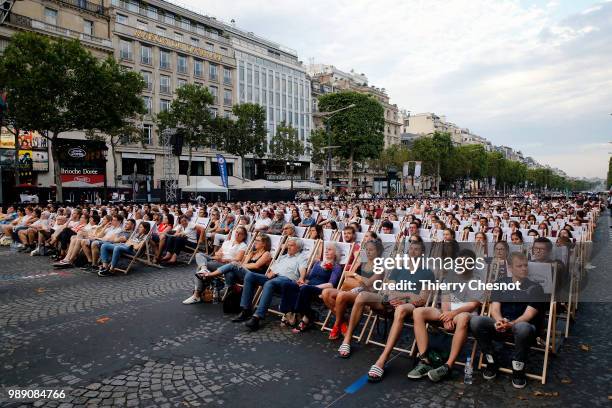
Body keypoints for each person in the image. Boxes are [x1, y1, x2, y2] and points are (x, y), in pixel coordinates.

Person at [403, 250, 484, 382]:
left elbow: (472, 305)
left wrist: (452, 314)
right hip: (448, 312)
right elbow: (445, 300)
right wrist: (447, 314)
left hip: (464, 314)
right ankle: (425, 360)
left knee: (463, 317)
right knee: (418, 312)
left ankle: (448, 365)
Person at [470, 252, 546, 389]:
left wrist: (510, 324)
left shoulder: (535, 288)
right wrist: (499, 321)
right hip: (502, 323)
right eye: (519, 266)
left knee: (522, 327)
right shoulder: (500, 283)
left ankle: (518, 368)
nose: (524, 269)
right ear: (510, 268)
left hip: (524, 326)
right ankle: (491, 359)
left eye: (526, 265)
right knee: (476, 321)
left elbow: (529, 315)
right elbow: (495, 308)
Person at [367, 239, 434, 380]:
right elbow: (388, 289)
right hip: (393, 301)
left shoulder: (427, 273)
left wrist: (404, 297)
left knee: (401, 309)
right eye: (411, 249)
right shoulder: (399, 268)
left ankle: (382, 359)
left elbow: (422, 299)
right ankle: (346, 339)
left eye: (417, 249)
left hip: (411, 306)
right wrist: (406, 294)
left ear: (422, 254)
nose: (413, 252)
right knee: (363, 296)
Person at [232, 237, 308, 331]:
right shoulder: (283, 256)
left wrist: (301, 278)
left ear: (298, 248)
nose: (288, 247)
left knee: (269, 283)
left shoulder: (301, 257)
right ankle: (246, 310)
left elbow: (302, 269)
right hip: (274, 278)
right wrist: (272, 272)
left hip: (286, 280)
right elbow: (272, 270)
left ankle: (257, 317)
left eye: (291, 245)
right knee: (250, 275)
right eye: (288, 245)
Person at [321, 239, 382, 340]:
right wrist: (354, 274)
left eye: (371, 250)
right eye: (367, 249)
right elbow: (347, 274)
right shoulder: (363, 263)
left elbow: (368, 283)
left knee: (341, 295)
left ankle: (337, 325)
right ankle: (344, 321)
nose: (368, 252)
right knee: (325, 292)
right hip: (352, 289)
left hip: (365, 293)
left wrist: (355, 275)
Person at [278, 242, 343, 332]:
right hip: (308, 286)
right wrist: (302, 282)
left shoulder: (337, 267)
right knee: (287, 284)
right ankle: (288, 312)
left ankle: (306, 315)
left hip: (321, 289)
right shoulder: (317, 263)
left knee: (305, 288)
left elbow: (331, 284)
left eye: (330, 249)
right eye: (326, 249)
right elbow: (308, 278)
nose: (326, 251)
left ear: (336, 253)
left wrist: (312, 286)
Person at [182, 227, 250, 304]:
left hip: (226, 264)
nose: (237, 234)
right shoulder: (227, 242)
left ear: (244, 236)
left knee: (201, 267)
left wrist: (225, 260)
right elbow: (217, 252)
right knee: (199, 254)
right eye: (236, 232)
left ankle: (196, 295)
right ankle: (204, 269)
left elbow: (238, 259)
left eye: (240, 233)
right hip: (217, 260)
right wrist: (218, 254)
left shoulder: (243, 246)